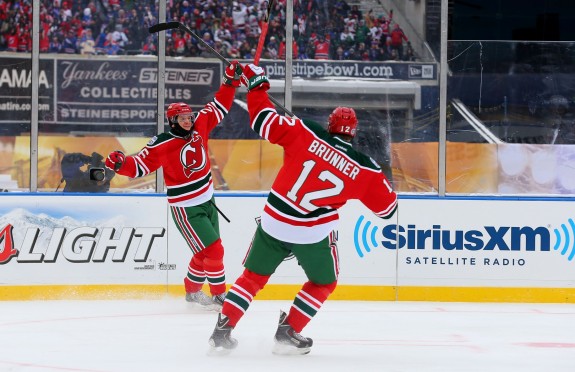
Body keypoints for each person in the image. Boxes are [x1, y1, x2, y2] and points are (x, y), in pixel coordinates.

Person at [208, 64, 398, 355]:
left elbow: (262, 121)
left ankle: (223, 329)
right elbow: (388, 210)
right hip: (312, 233)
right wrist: (371, 179)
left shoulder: (305, 130)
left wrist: (257, 85)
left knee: (252, 278)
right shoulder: (364, 168)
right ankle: (289, 330)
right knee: (324, 282)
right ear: (353, 132)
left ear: (331, 124)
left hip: (275, 221)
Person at [105, 61, 244, 310]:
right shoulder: (161, 144)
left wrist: (230, 81)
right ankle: (219, 295)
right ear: (173, 121)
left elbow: (220, 106)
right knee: (214, 250)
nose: (189, 121)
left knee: (205, 254)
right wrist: (119, 164)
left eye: (189, 116)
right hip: (186, 208)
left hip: (208, 200)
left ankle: (192, 292)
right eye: (183, 118)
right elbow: (138, 166)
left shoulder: (200, 125)